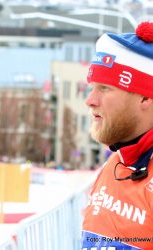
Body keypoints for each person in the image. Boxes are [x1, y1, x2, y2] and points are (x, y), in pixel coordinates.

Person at [81, 21, 153, 250]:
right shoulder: (116, 161)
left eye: (105, 88)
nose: (90, 100)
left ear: (145, 98)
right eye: (92, 87)